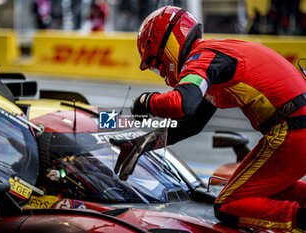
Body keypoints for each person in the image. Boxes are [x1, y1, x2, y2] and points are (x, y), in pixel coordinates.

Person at [120, 5, 306, 231]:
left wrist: (146, 101)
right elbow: (191, 124)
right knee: (264, 190)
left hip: (292, 128)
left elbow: (182, 103)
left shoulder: (201, 58)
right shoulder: (215, 53)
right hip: (297, 125)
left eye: (158, 65)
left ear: (167, 45)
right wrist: (142, 142)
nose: (162, 74)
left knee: (228, 206)